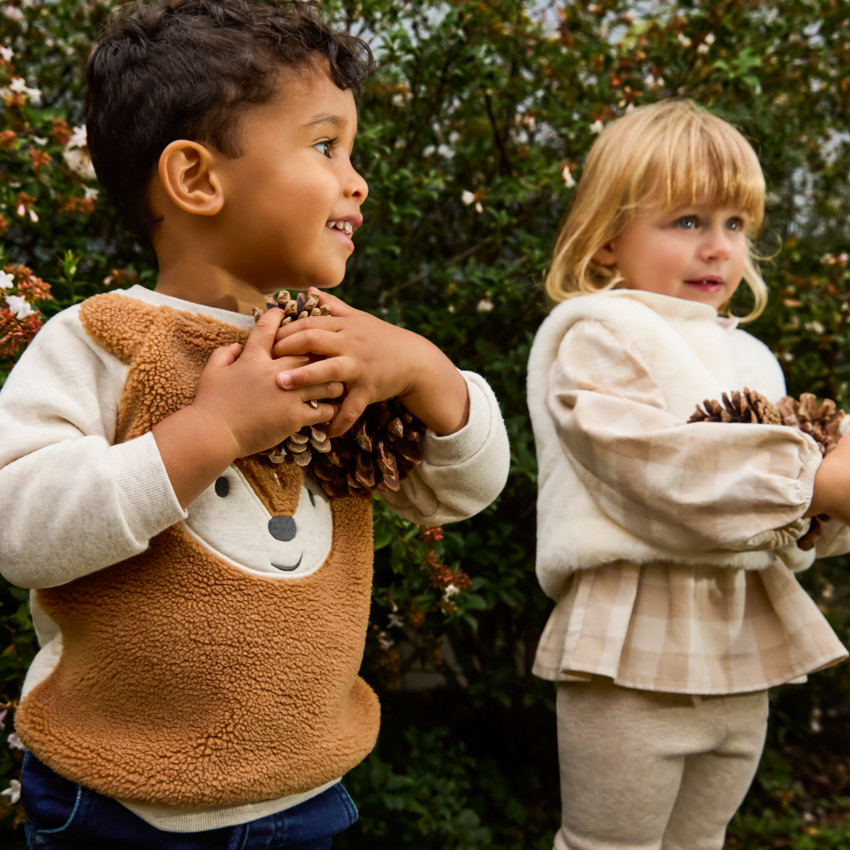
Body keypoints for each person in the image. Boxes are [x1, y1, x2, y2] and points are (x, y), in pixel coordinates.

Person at [0, 0, 510, 847]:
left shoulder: (344, 342)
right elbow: (16, 522)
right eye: (325, 146)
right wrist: (213, 435)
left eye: (353, 152)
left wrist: (424, 368)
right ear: (197, 179)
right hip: (119, 805)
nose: (358, 180)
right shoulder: (100, 341)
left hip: (305, 796)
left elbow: (460, 491)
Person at [527, 98, 850, 850]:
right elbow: (656, 469)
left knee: (701, 842)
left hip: (741, 643)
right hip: (629, 646)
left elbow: (784, 519)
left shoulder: (750, 356)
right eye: (687, 222)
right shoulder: (595, 334)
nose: (719, 248)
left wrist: (822, 503)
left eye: (734, 225)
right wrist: (817, 482)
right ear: (608, 240)